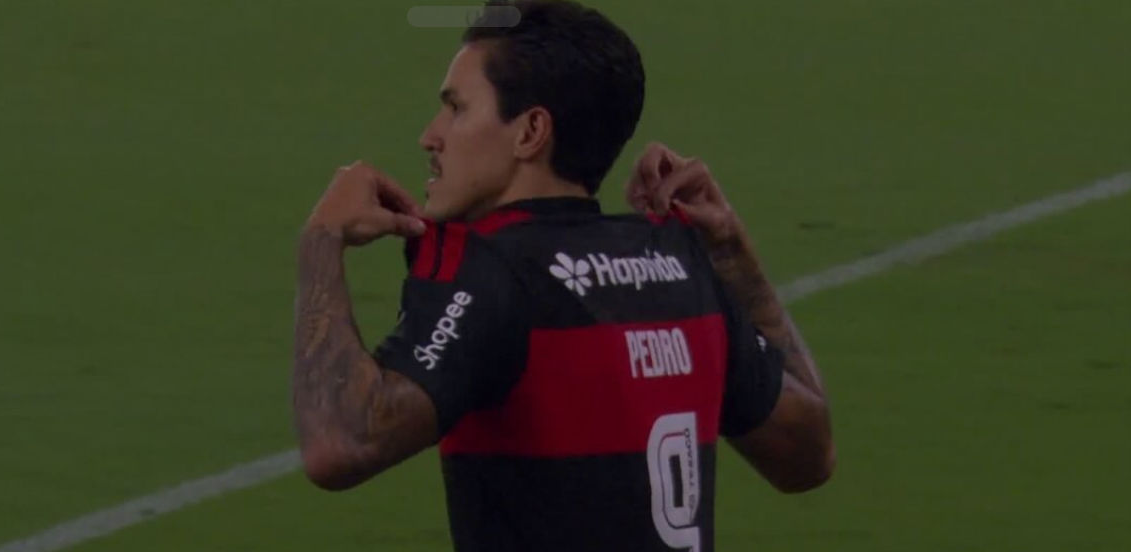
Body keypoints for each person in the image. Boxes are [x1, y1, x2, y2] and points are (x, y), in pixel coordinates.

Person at [291, 1, 834, 551]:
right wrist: (734, 255)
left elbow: (342, 443)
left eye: (456, 108)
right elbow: (808, 454)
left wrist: (321, 242)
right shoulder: (681, 264)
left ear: (531, 132)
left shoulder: (491, 270)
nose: (430, 136)